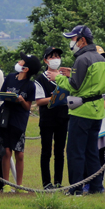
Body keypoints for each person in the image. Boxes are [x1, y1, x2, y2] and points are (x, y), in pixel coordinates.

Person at [48, 24, 105, 195]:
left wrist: (58, 78)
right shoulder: (103, 60)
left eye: (73, 39)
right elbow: (90, 83)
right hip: (97, 110)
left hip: (81, 110)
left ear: (82, 40)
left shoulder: (82, 59)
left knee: (75, 151)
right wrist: (71, 74)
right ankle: (96, 187)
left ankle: (75, 188)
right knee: (92, 152)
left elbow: (74, 87)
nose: (71, 42)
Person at [0, 54, 39, 191]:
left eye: (22, 61)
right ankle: (6, 184)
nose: (19, 62)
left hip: (19, 121)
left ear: (26, 68)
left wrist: (21, 100)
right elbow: (2, 94)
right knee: (6, 151)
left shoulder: (30, 85)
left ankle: (19, 184)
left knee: (19, 153)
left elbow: (28, 107)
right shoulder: (10, 77)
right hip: (6, 118)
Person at [35, 46, 69, 189]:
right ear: (45, 60)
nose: (56, 59)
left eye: (57, 56)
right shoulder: (40, 79)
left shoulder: (65, 77)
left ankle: (58, 182)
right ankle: (46, 182)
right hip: (47, 119)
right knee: (46, 151)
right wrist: (54, 98)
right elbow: (39, 101)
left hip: (63, 117)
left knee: (60, 151)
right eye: (52, 56)